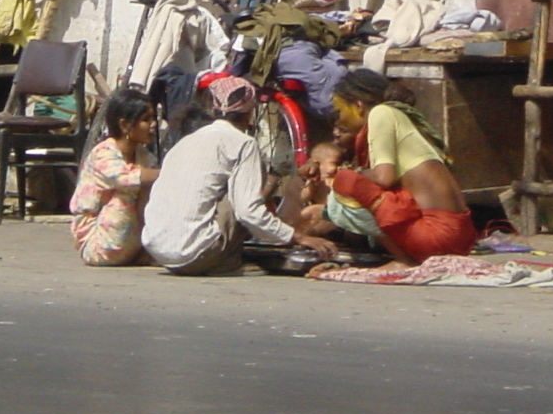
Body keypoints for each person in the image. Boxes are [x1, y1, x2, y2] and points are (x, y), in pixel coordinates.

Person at [140, 75, 336, 275]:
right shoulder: (242, 142)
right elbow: (248, 211)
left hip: (159, 251)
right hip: (194, 255)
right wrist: (299, 237)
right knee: (241, 195)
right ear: (249, 113)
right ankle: (227, 263)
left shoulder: (185, 142)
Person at [328, 69, 476, 266]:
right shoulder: (400, 116)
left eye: (340, 111)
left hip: (435, 238)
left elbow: (384, 178)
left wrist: (356, 173)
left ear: (358, 106)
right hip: (461, 238)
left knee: (346, 181)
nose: (339, 120)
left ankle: (403, 260)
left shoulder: (381, 113)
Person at [69, 87, 160, 266]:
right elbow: (125, 178)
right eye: (146, 120)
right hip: (97, 240)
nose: (153, 125)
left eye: (153, 119)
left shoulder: (145, 157)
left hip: (131, 238)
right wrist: (171, 172)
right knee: (127, 193)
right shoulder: (103, 153)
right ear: (125, 125)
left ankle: (144, 249)